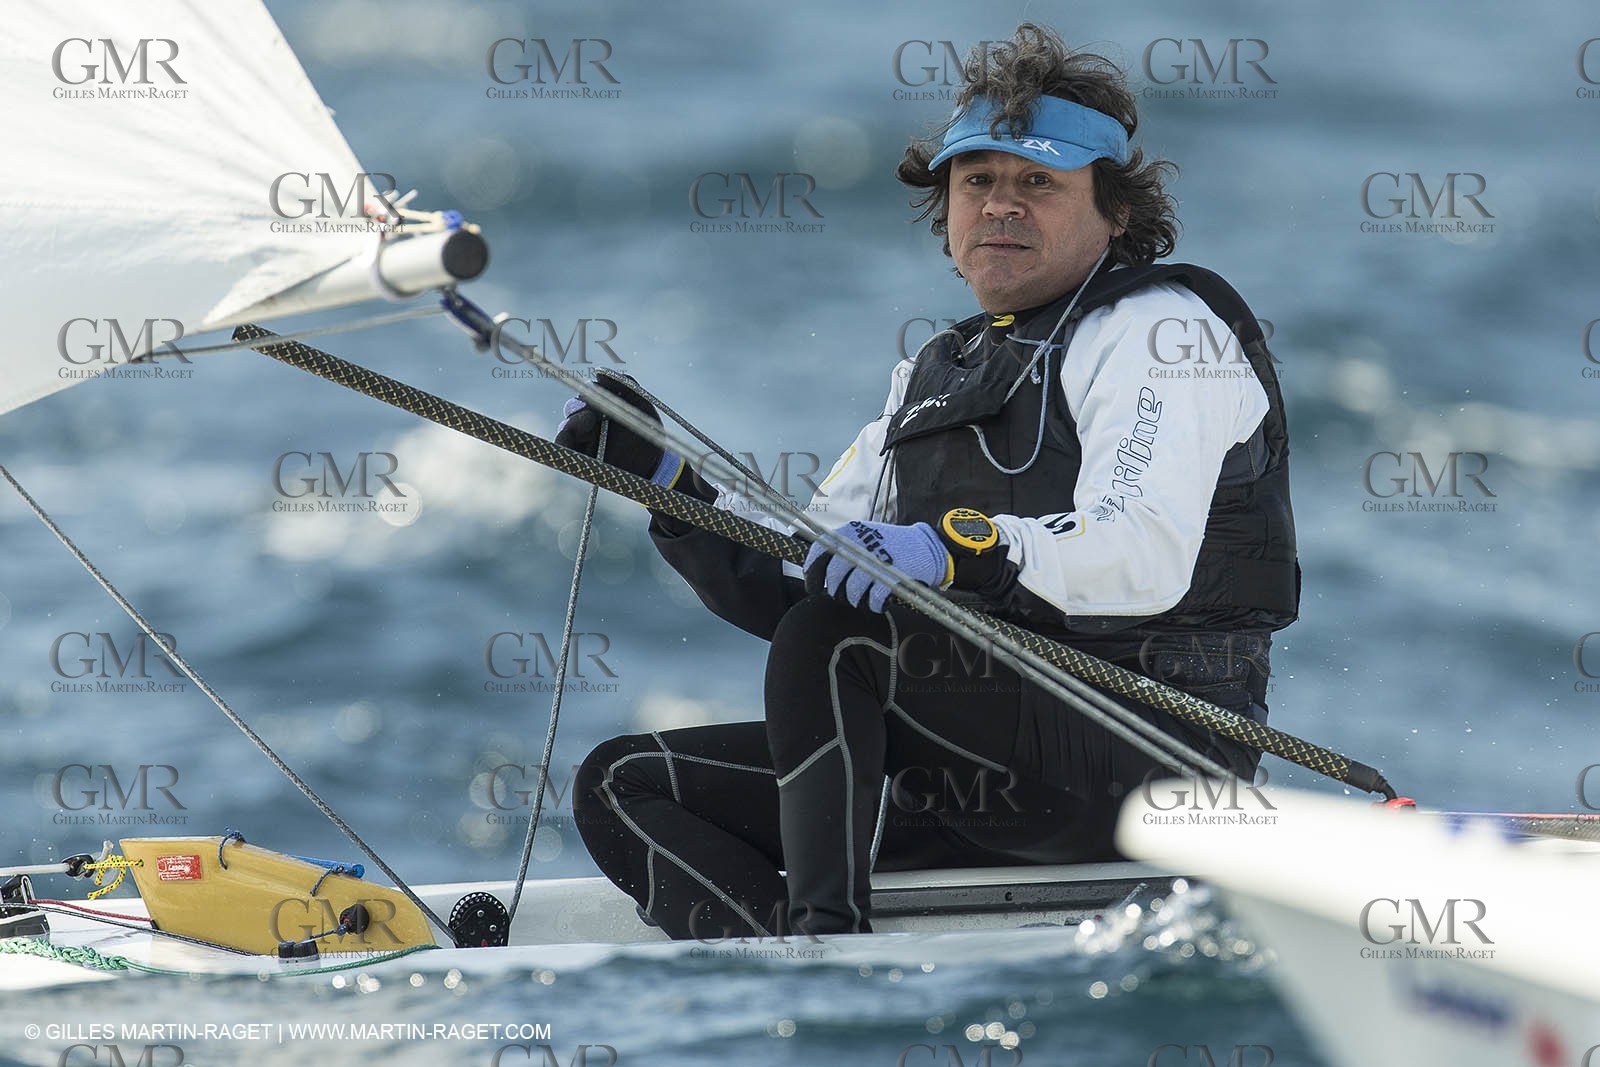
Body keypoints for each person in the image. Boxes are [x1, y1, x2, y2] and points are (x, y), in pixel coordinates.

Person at [562, 24, 1298, 939]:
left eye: (1039, 182)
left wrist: (956, 551)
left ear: (1114, 212)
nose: (1000, 205)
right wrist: (668, 488)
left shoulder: (1159, 331)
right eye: (976, 181)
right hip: (986, 775)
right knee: (624, 787)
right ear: (945, 210)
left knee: (838, 639)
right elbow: (798, 573)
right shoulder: (934, 373)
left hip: (1159, 762)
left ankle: (831, 945)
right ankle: (773, 985)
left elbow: (1139, 551)